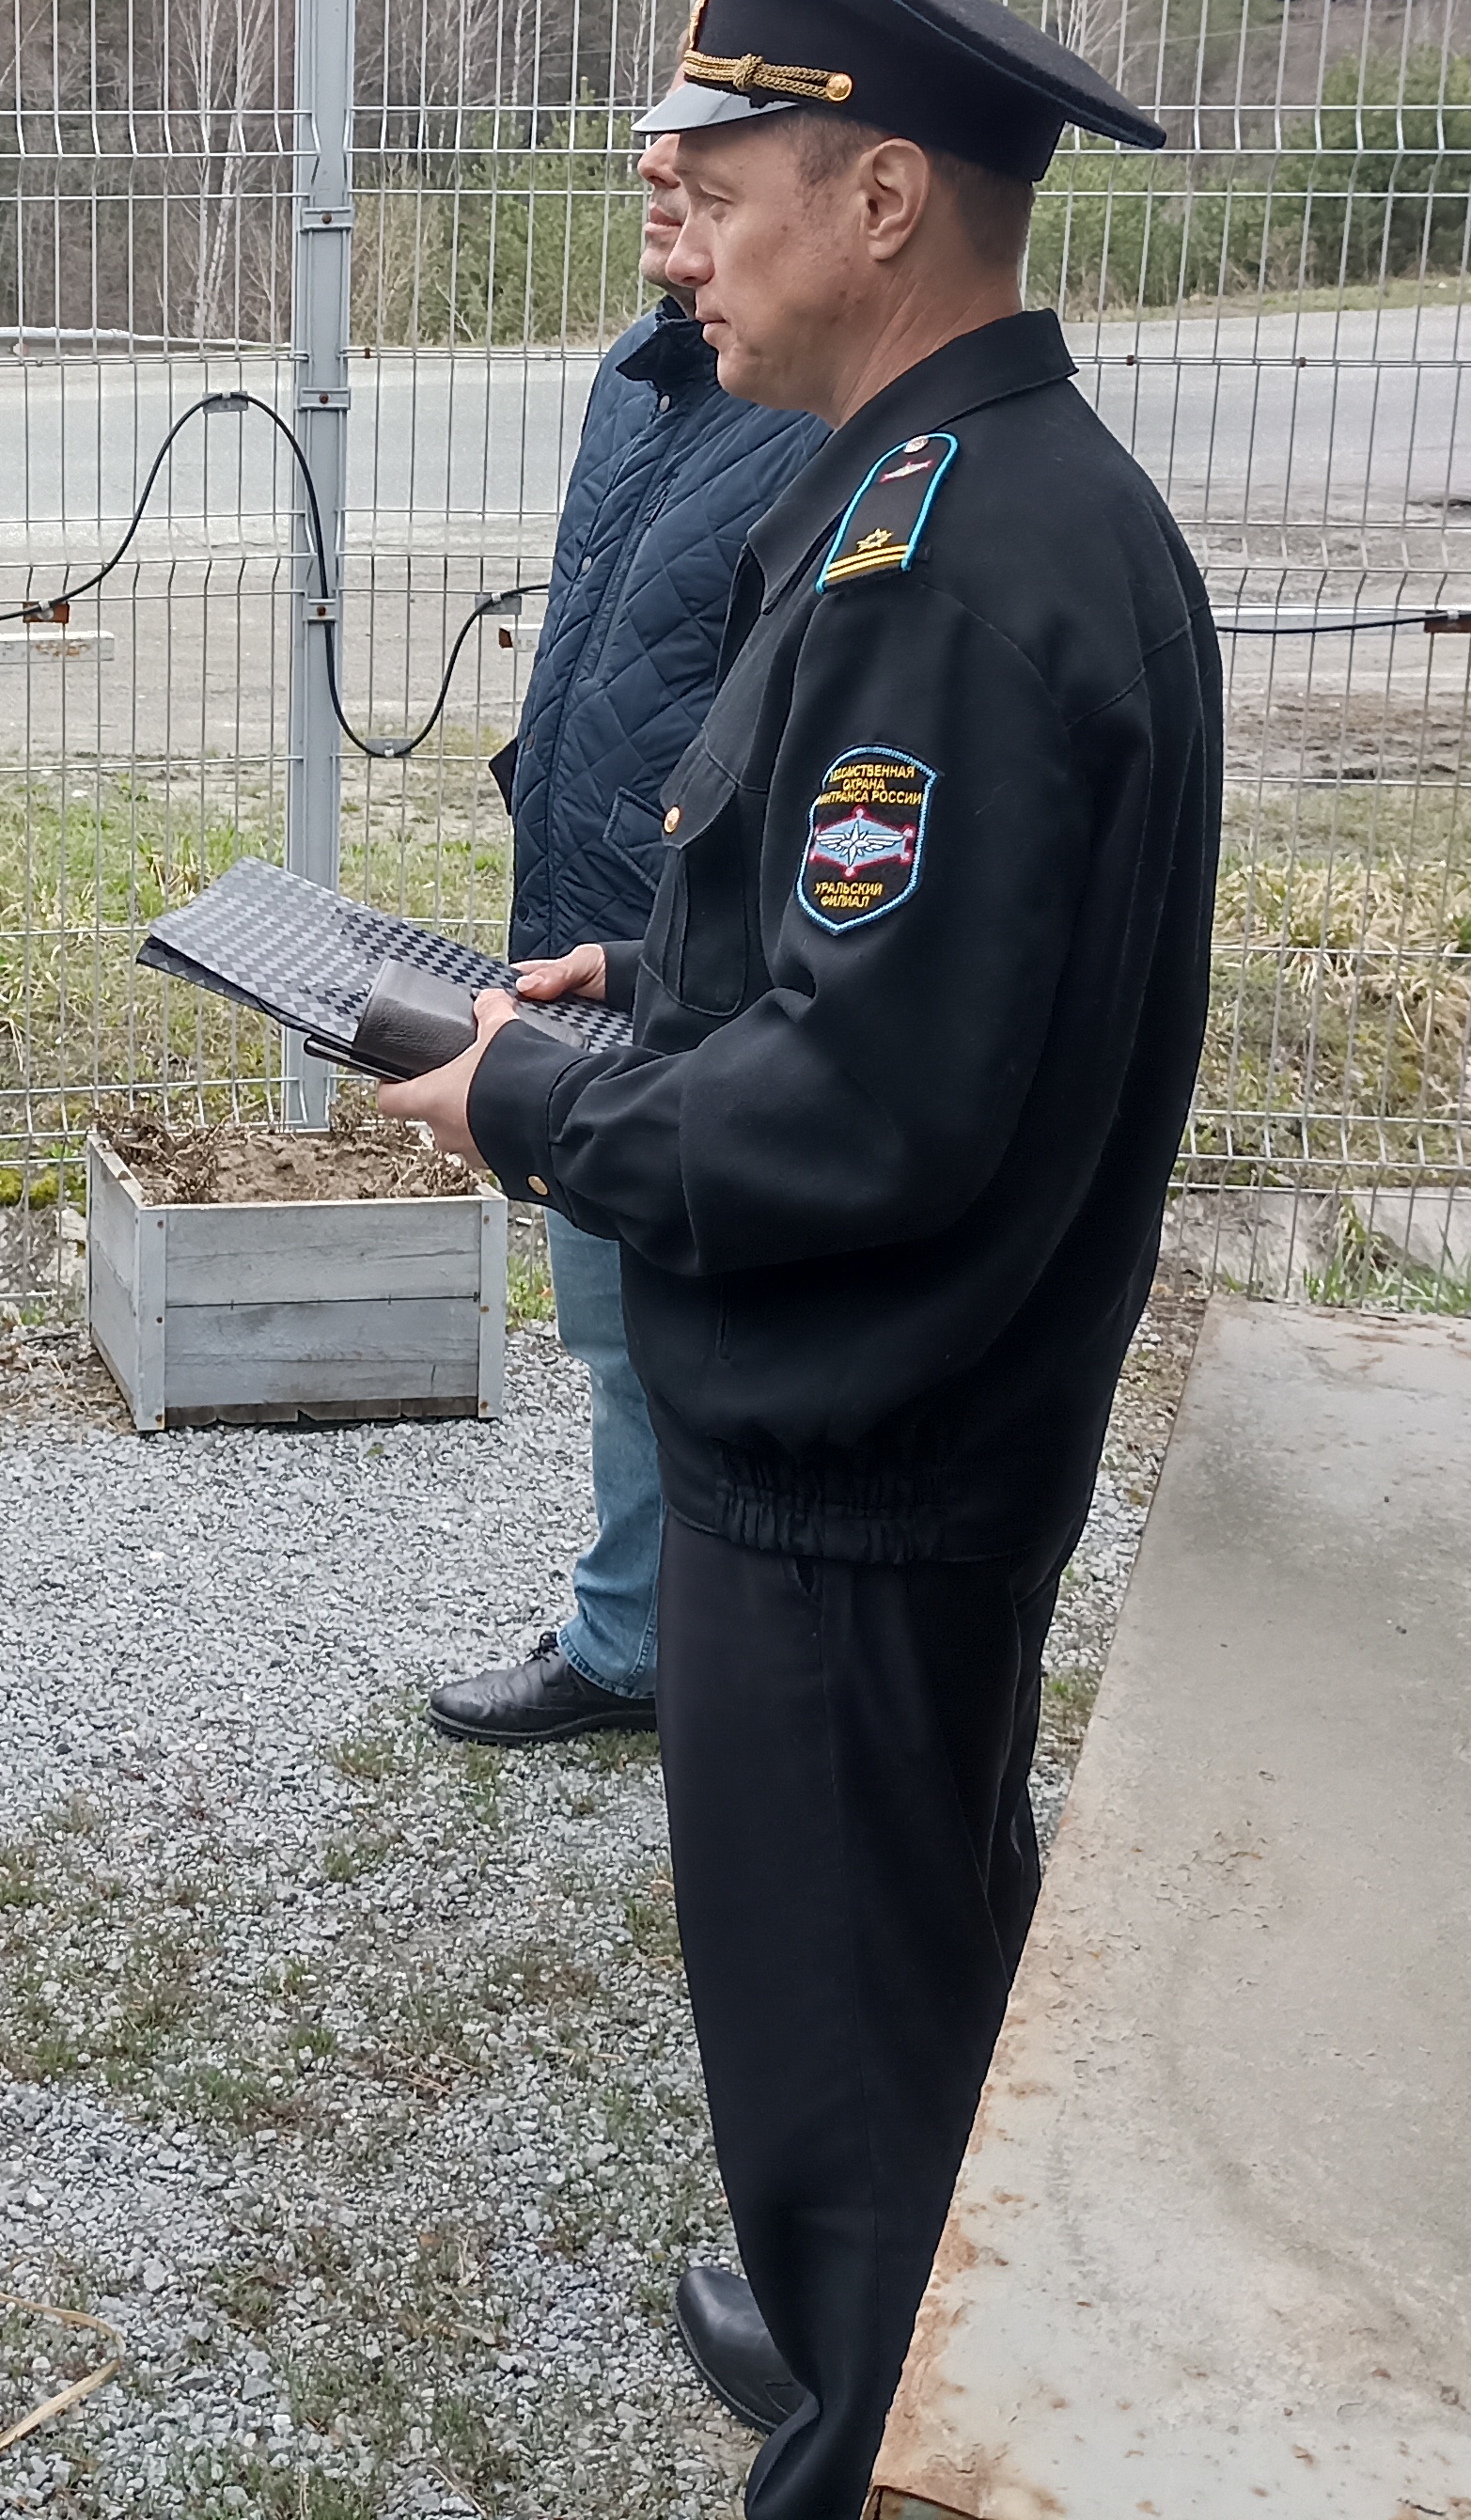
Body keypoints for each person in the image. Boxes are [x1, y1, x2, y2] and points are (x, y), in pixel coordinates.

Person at [381, 0, 1219, 2513]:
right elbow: (899, 975)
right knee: (920, 1969)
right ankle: (907, 2333)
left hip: (855, 1464)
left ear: (881, 194)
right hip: (910, 1444)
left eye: (720, 179)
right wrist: (653, 979)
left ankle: (876, 2436)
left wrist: (523, 1093)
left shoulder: (945, 567)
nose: (680, 219)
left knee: (845, 2056)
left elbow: (871, 1104)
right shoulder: (961, 495)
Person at [427, 131, 815, 1750]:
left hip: (703, 941)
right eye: (654, 155)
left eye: (708, 163)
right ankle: (647, 1627)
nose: (661, 177)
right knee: (617, 1323)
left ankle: (667, 1644)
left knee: (694, 1310)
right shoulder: (643, 379)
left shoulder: (812, 410)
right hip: (596, 918)